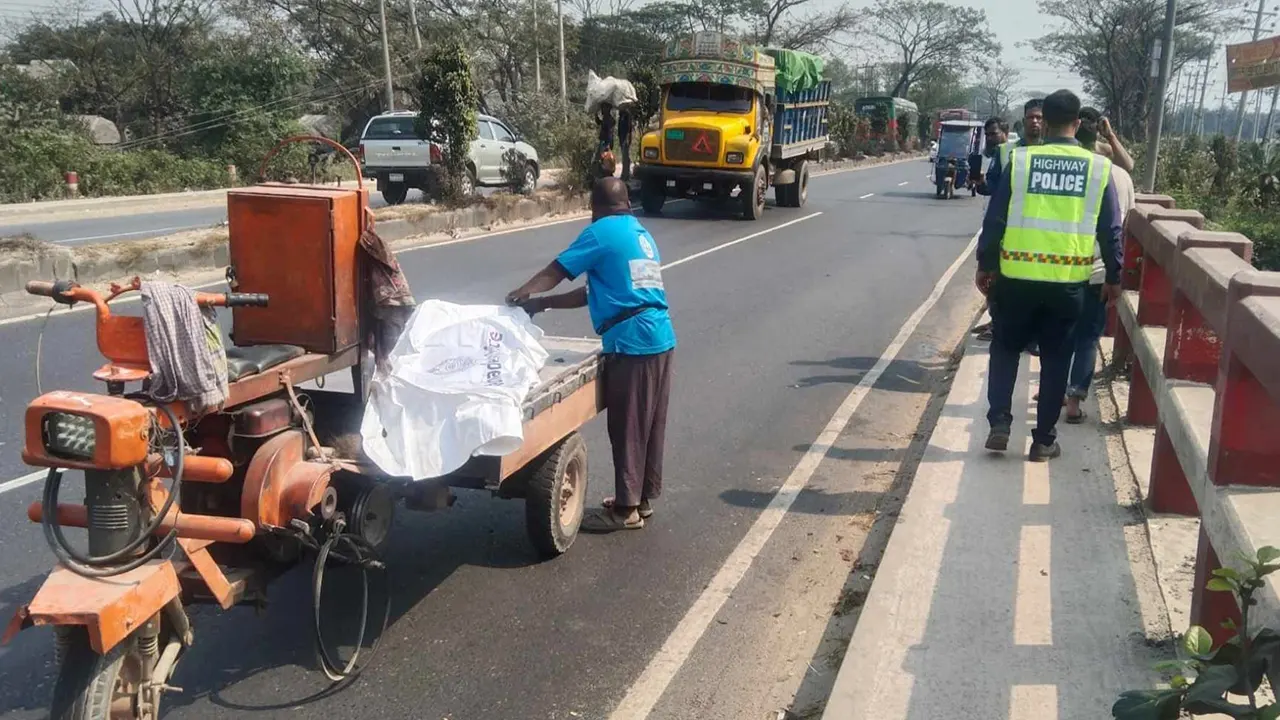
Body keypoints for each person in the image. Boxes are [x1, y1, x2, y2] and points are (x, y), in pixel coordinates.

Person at [506, 177, 676, 531]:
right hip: (660, 338)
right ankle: (640, 500)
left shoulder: (601, 232)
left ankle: (624, 511)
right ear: (627, 203)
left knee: (627, 425)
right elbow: (593, 292)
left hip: (633, 342)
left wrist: (522, 293)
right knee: (648, 425)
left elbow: (558, 271)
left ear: (595, 208)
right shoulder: (639, 234)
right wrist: (542, 305)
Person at [976, 89, 1123, 462]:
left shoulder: (1021, 160)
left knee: (1006, 350)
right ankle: (1043, 440)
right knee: (1057, 359)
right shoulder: (1098, 167)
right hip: (1068, 284)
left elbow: (994, 219)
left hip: (1016, 277)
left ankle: (999, 424)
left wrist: (986, 265)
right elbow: (1111, 231)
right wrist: (1114, 276)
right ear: (1076, 123)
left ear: (1046, 121)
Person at [1061, 110, 1136, 423]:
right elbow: (1124, 226)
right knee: (1089, 336)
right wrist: (1115, 274)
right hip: (1100, 270)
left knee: (1062, 333)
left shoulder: (1068, 170)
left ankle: (1055, 389)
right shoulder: (1120, 175)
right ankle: (1075, 398)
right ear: (1102, 137)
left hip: (1062, 268)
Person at [977, 98, 1044, 198]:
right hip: (1011, 213)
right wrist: (981, 182)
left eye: (1039, 117)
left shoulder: (1056, 153)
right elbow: (991, 187)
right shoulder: (1004, 151)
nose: (1034, 121)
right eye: (1030, 117)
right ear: (1024, 121)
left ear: (1046, 122)